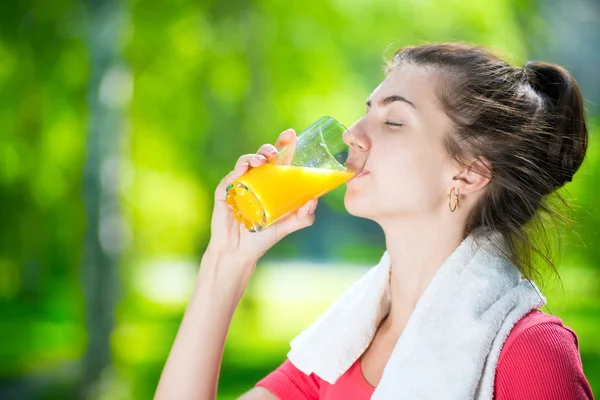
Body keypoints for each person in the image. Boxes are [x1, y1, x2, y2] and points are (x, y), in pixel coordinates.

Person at [154, 43, 594, 399]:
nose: (352, 133)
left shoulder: (530, 354)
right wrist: (226, 262)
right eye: (368, 109)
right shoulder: (341, 346)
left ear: (468, 172)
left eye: (395, 120)